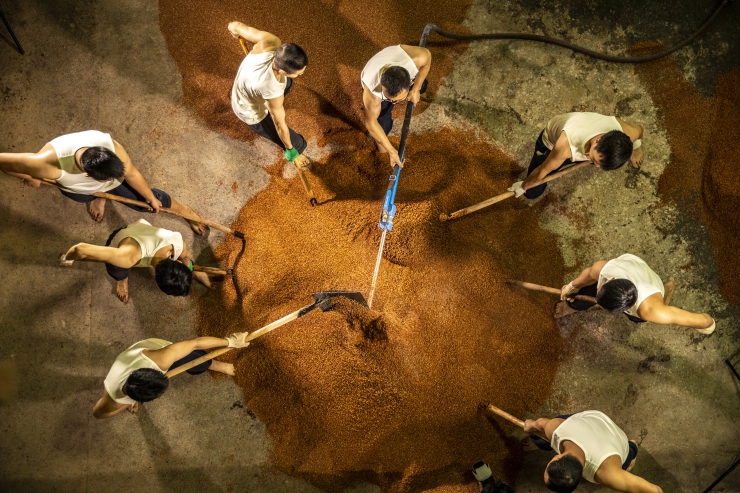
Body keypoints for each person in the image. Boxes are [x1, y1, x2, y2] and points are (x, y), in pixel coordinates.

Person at [0, 130, 205, 233]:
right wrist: (31, 176)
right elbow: (6, 163)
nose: (116, 178)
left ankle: (185, 211)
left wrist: (150, 197)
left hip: (101, 184)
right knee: (83, 197)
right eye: (109, 178)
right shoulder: (46, 163)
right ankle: (100, 198)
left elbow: (131, 174)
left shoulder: (110, 146)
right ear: (88, 175)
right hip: (76, 188)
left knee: (146, 203)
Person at [93, 334, 249, 419]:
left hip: (153, 348)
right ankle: (209, 364)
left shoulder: (162, 358)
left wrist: (230, 342)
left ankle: (212, 364)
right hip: (131, 384)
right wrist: (127, 404)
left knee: (193, 357)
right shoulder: (113, 399)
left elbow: (195, 342)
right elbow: (98, 413)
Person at [59, 218, 212, 302]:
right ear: (156, 281)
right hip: (121, 239)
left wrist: (192, 270)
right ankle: (122, 280)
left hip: (143, 230)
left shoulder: (178, 244)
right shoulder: (127, 257)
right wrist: (67, 257)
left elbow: (186, 257)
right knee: (117, 270)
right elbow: (80, 249)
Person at [556, 253, 715, 334]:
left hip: (651, 289)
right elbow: (589, 274)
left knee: (638, 318)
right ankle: (573, 306)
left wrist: (707, 326)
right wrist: (571, 287)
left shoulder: (651, 311)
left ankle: (665, 292)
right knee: (586, 289)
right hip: (635, 268)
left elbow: (704, 321)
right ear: (611, 281)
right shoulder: (605, 270)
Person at [228, 21, 309, 170]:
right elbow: (279, 124)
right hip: (248, 111)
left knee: (288, 83)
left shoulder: (271, 41)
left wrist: (234, 30)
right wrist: (291, 150)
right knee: (297, 143)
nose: (302, 73)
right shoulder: (272, 90)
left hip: (246, 84)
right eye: (300, 72)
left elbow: (235, 25)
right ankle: (297, 150)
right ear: (283, 71)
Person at [509, 112, 645, 199]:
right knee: (532, 193)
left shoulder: (628, 133)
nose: (596, 167)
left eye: (599, 163)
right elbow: (541, 170)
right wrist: (523, 186)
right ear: (597, 141)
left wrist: (636, 147)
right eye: (595, 161)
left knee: (592, 158)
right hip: (551, 145)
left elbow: (640, 129)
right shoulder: (565, 146)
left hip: (583, 147)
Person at [522, 410, 662, 493]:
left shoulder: (608, 474)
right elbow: (540, 423)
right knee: (544, 431)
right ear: (557, 458)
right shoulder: (554, 428)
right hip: (593, 419)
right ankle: (539, 442)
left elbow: (655, 491)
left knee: (626, 459)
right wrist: (531, 425)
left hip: (617, 440)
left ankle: (633, 446)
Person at [361, 44, 432, 169]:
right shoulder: (373, 93)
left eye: (399, 100)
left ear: (409, 81)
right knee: (382, 124)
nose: (395, 103)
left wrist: (416, 89)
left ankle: (415, 91)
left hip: (404, 77)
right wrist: (391, 151)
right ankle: (382, 152)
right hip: (378, 93)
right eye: (391, 100)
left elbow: (428, 58)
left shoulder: (416, 59)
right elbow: (370, 123)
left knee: (423, 86)